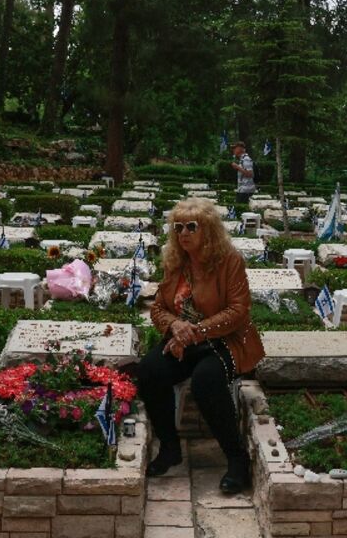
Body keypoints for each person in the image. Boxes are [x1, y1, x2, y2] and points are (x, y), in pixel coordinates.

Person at [137, 197, 265, 494]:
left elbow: (238, 311)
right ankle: (170, 448)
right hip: (183, 341)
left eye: (191, 227)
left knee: (207, 380)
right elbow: (158, 308)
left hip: (225, 339)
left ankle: (236, 459)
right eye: (178, 227)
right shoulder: (175, 262)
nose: (183, 233)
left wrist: (195, 331)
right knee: (149, 371)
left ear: (207, 230)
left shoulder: (229, 261)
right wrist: (175, 326)